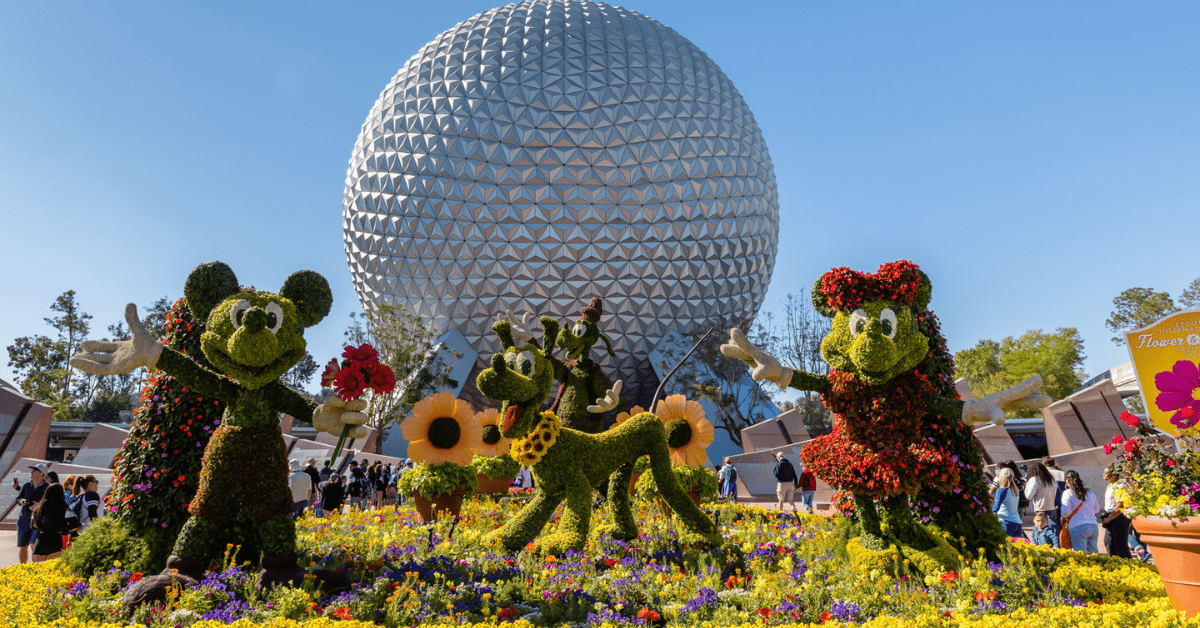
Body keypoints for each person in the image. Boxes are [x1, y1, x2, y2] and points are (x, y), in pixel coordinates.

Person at [12, 463, 49, 564]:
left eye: (34, 470)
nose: (31, 472)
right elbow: (18, 499)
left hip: (38, 522)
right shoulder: (26, 485)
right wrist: (22, 501)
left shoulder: (48, 487)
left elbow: (51, 502)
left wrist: (39, 505)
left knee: (34, 546)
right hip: (24, 520)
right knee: (23, 546)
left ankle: (33, 570)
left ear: (42, 474)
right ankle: (23, 569)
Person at [1061, 469, 1100, 553]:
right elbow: (1097, 509)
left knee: (1081, 556)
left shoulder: (1068, 493)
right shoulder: (1090, 492)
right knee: (1094, 554)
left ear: (1067, 481)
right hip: (1093, 526)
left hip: (1077, 526)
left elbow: (1065, 513)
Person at [32, 481, 68, 562]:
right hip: (56, 540)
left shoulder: (38, 507)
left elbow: (32, 525)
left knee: (38, 571)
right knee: (55, 570)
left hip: (40, 540)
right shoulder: (63, 507)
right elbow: (73, 522)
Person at [1101, 466, 1133, 559]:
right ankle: (1114, 564)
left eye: (1106, 472)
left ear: (1114, 475)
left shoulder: (1120, 486)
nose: (1104, 474)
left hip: (1119, 517)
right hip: (1111, 516)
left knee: (1120, 545)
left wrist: (1109, 518)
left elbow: (1119, 506)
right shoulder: (1111, 485)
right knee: (1108, 542)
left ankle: (1128, 566)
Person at [992, 467, 1024, 538]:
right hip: (1017, 522)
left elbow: (995, 508)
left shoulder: (1001, 490)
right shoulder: (1016, 490)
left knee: (1006, 547)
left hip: (1005, 522)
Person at [1043, 457, 1067, 526]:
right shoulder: (1061, 473)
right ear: (1054, 464)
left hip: (1046, 502)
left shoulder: (1042, 473)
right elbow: (1064, 488)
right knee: (1058, 523)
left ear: (1044, 464)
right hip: (1059, 500)